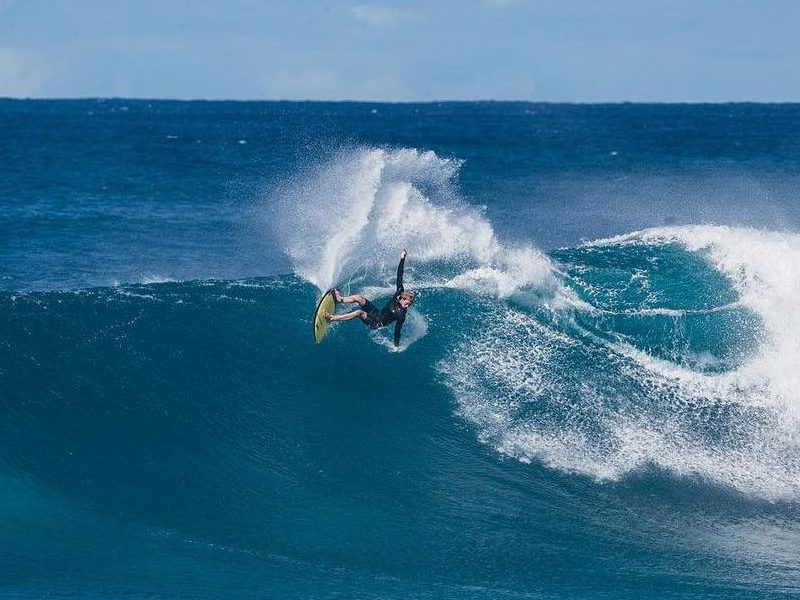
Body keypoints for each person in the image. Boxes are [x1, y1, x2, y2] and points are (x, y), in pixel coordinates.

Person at [325, 249, 415, 348]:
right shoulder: (399, 291)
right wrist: (402, 258)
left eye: (409, 305)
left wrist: (396, 345)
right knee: (359, 298)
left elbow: (397, 330)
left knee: (359, 313)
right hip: (376, 313)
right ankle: (339, 299)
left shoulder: (401, 314)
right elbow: (399, 275)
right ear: (403, 298)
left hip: (377, 323)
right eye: (407, 303)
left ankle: (333, 318)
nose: (407, 306)